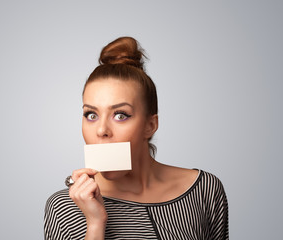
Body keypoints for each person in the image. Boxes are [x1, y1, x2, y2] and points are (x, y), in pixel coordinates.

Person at [44, 37, 229, 239]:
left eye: (120, 115)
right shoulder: (63, 207)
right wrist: (95, 223)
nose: (101, 130)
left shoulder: (204, 190)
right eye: (91, 115)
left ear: (150, 125)